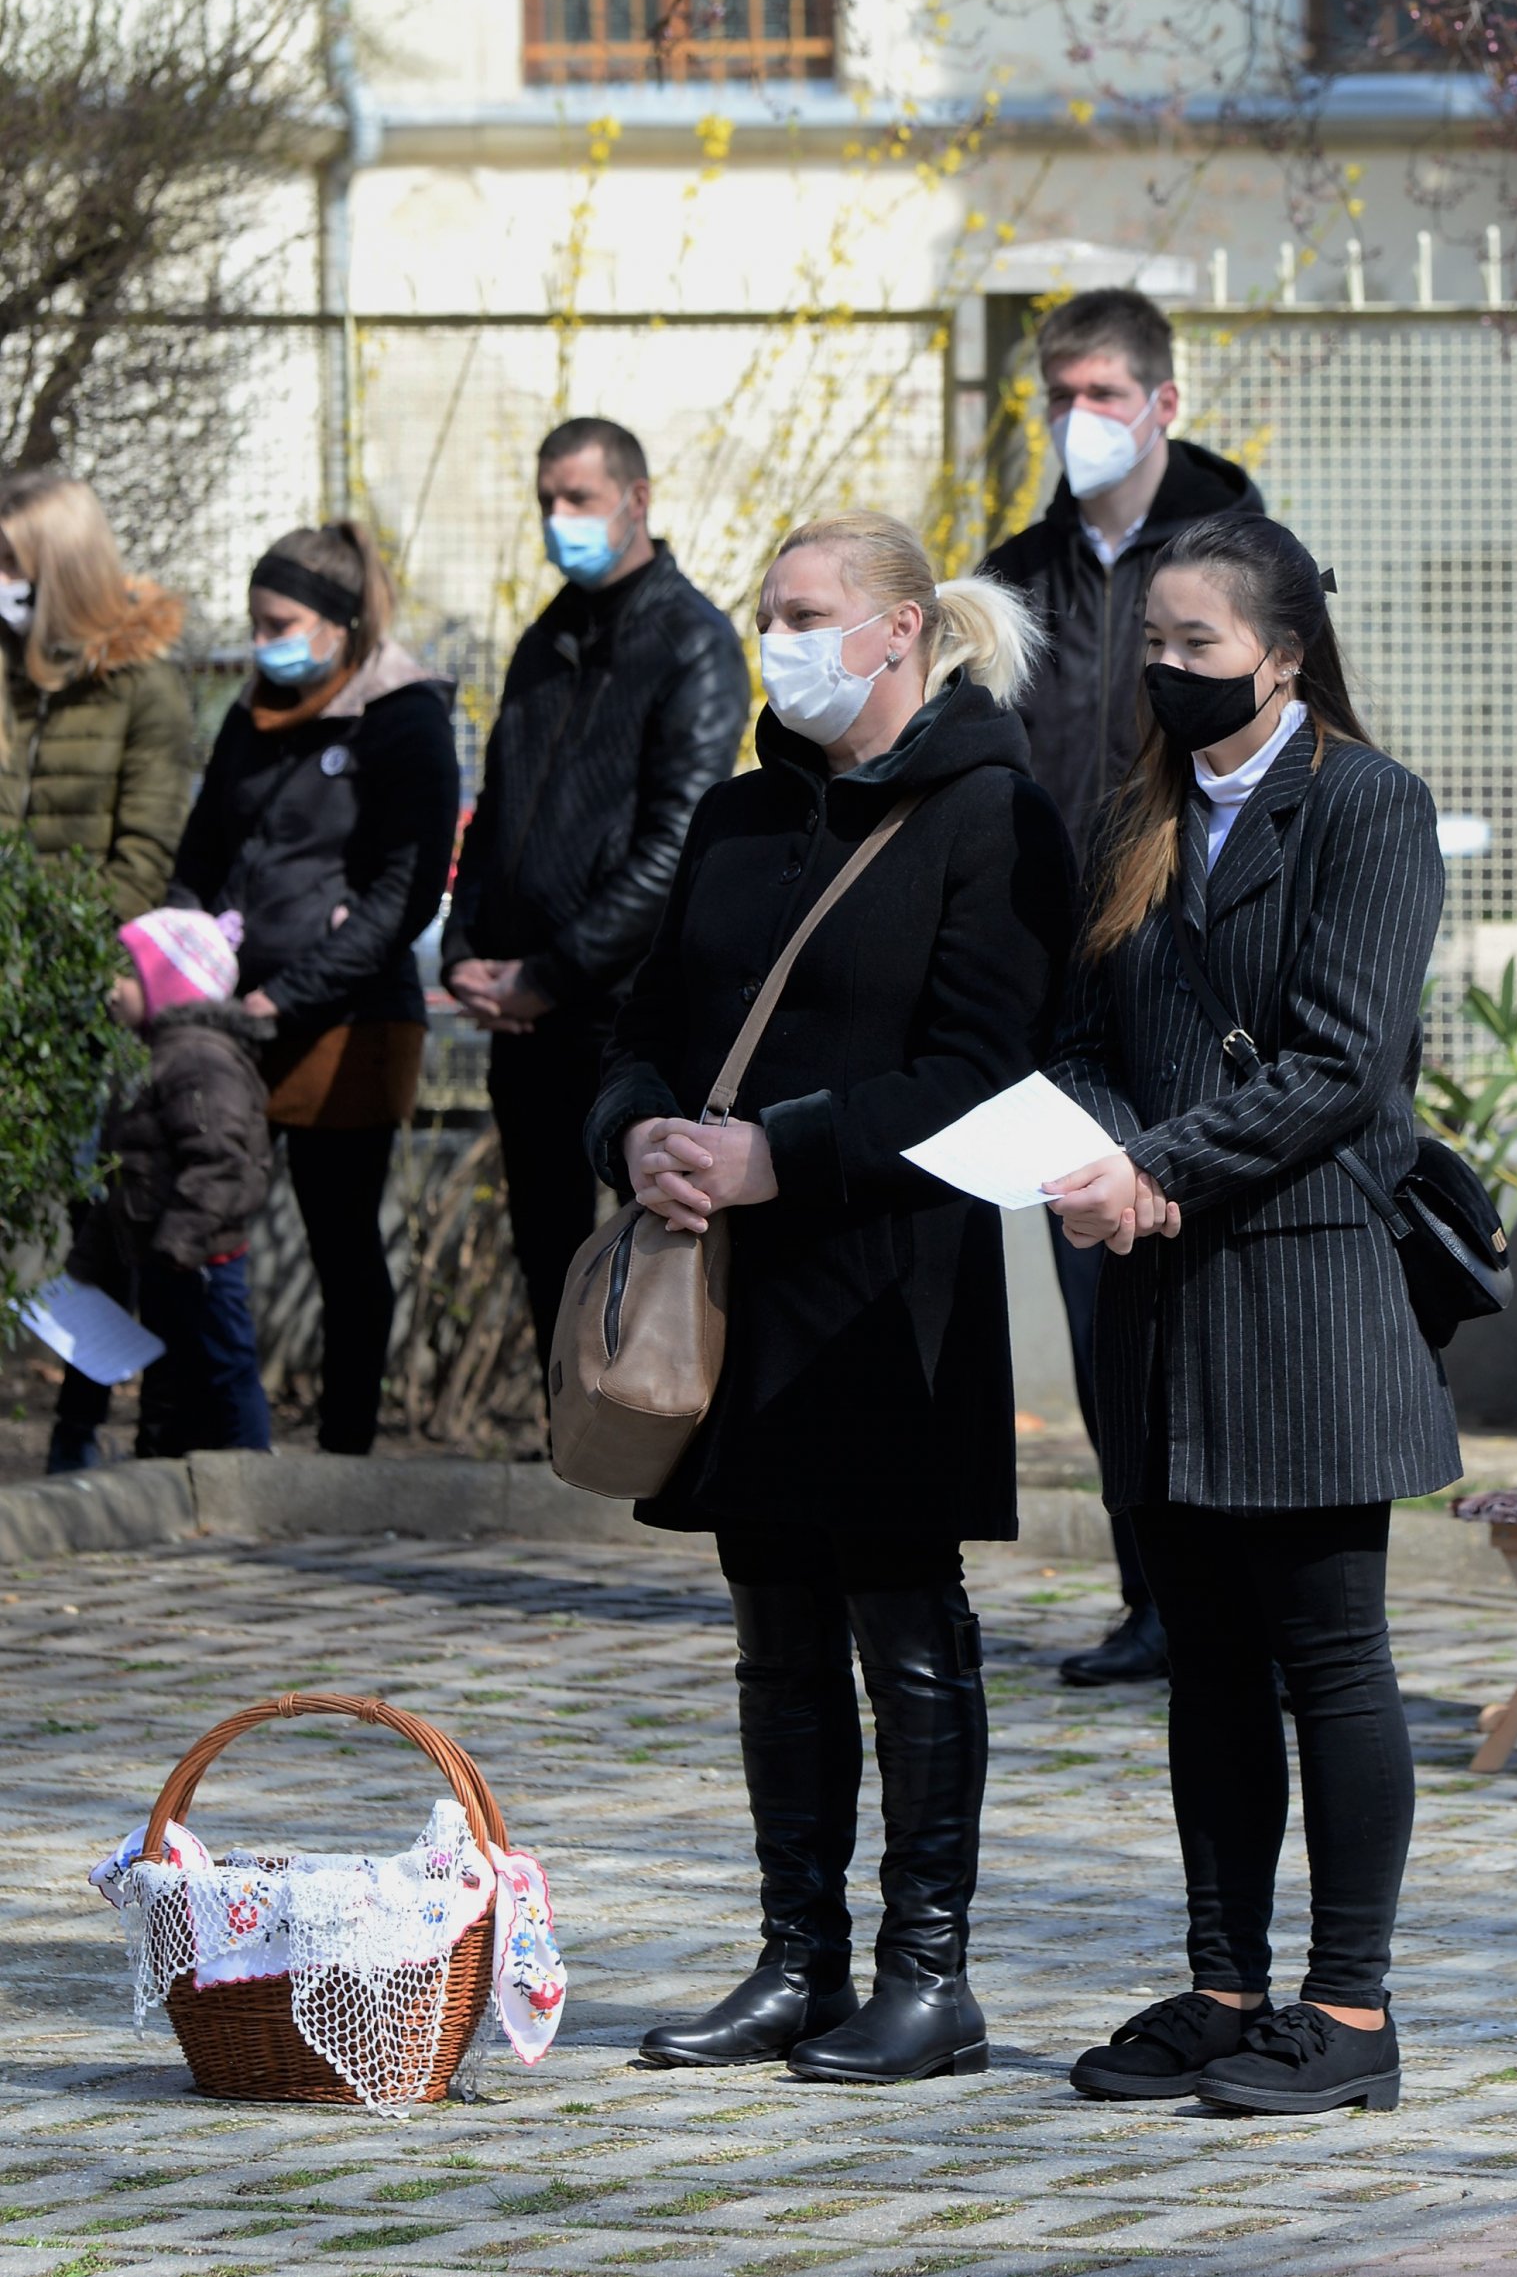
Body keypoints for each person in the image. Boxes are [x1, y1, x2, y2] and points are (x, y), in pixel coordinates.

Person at [586, 512, 1075, 2086]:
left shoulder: (991, 813)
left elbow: (983, 1071)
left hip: (893, 1292)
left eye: (805, 612)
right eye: (766, 612)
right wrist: (642, 1132)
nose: (775, 637)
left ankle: (927, 1971)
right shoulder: (737, 816)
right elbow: (642, 1024)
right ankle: (793, 1955)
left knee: (903, 1619)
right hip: (731, 1293)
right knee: (774, 1626)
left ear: (901, 628)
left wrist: (778, 1156)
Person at [1045, 512, 1455, 2117]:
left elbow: (1341, 1059)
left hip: (1303, 1281)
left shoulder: (1368, 806)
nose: (1167, 669)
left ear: (1280, 656)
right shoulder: (1133, 814)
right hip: (1158, 1303)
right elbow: (1078, 1027)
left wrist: (1153, 1172)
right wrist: (1093, 1144)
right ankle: (1224, 1982)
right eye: (1153, 641)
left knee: (1328, 1657)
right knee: (1207, 1659)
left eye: (1197, 645)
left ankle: (1350, 2010)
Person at [980, 286, 1264, 1687]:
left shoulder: (1238, 558)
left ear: (1162, 400)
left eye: (1105, 392)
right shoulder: (1019, 571)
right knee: (1099, 1309)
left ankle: (1232, 1591)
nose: (1080, 419)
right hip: (1055, 991)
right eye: (1062, 394)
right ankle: (1150, 1590)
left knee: (1208, 1306)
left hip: (1197, 975)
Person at [443, 418, 750, 1374]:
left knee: (642, 1247)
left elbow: (674, 845)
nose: (558, 519)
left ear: (637, 499)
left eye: (576, 498)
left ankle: (639, 1428)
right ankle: (560, 1430)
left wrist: (553, 971)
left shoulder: (692, 643)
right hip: (521, 1012)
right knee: (544, 1241)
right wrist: (466, 950)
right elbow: (497, 808)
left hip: (623, 1013)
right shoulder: (546, 638)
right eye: (546, 501)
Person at [168, 521, 460, 1455]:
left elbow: (402, 894)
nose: (263, 644)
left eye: (280, 621)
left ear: (338, 623)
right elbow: (203, 852)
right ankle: (199, 1435)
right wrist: (178, 960)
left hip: (346, 1021)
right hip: (227, 1019)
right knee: (197, 1224)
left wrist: (289, 996)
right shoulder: (251, 710)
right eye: (255, 623)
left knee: (341, 1241)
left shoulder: (403, 715)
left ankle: (345, 1451)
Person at [59, 908, 273, 1463]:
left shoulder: (197, 1059)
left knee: (226, 1369)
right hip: (169, 1256)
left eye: (124, 972)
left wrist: (179, 1244)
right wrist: (91, 1260)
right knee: (178, 1378)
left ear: (166, 981)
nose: (110, 988)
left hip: (203, 1262)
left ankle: (255, 1473)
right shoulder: (154, 1056)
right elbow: (126, 1173)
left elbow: (222, 1164)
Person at [0, 468, 192, 921]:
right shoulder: (7, 667)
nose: (2, 581)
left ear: (65, 570)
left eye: (11, 562)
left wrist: (61, 947)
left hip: (77, 963)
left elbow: (146, 859)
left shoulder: (142, 685)